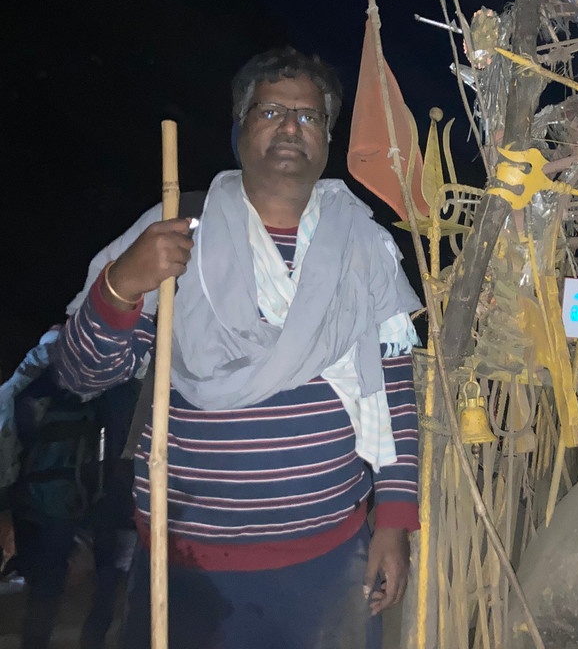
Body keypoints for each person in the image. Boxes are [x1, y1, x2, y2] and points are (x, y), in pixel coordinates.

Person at [53, 47, 422, 649]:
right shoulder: (175, 230)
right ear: (239, 127)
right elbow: (81, 374)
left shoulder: (365, 246)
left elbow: (396, 395)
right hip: (189, 562)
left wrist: (395, 524)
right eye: (270, 110)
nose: (289, 127)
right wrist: (121, 284)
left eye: (309, 116)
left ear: (327, 137)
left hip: (331, 555)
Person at [0, 332, 137, 649]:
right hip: (105, 496)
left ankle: (37, 642)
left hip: (48, 497)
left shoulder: (40, 374)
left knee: (46, 587)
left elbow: (9, 425)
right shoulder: (123, 372)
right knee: (105, 584)